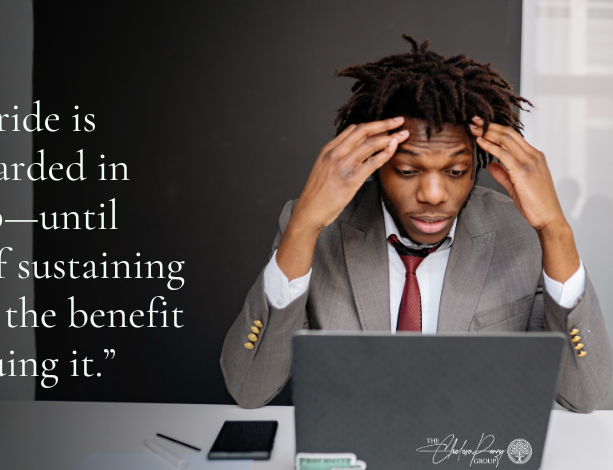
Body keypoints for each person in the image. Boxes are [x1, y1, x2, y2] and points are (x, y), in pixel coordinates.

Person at [220, 35, 612, 412]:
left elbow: (585, 395)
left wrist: (555, 230)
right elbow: (249, 388)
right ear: (377, 163)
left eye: (456, 171)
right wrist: (303, 227)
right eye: (408, 170)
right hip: (352, 463)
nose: (434, 194)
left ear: (476, 165)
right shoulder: (318, 228)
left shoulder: (520, 231)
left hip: (472, 458)